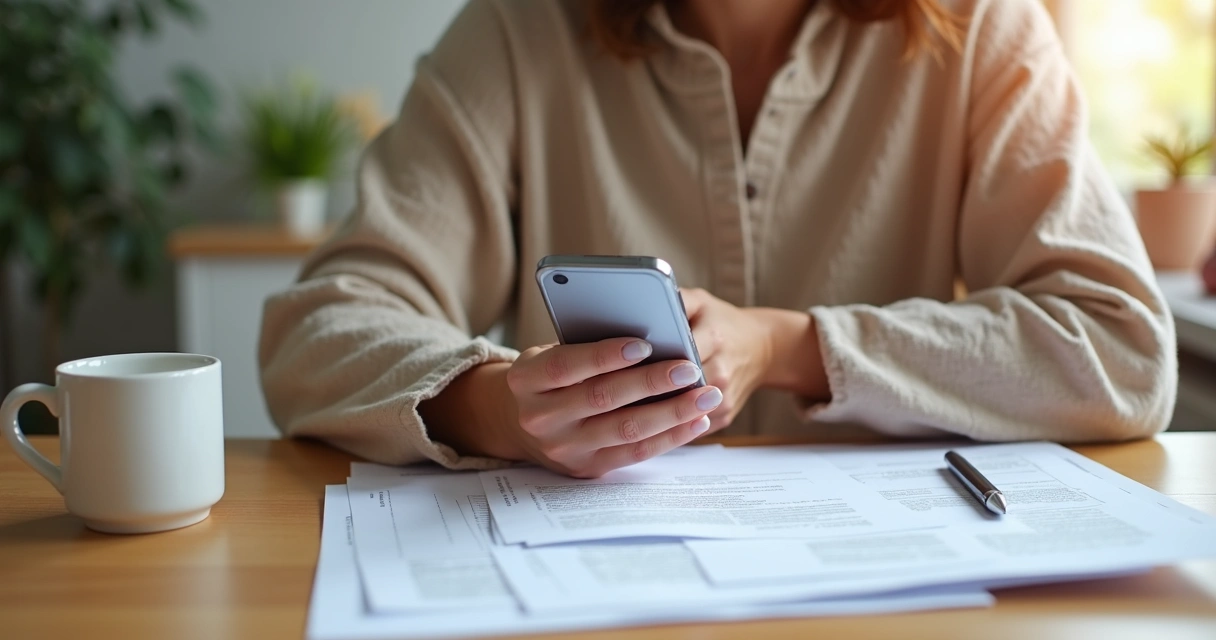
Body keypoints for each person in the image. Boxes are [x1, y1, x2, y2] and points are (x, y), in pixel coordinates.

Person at [258, 0, 1176, 478]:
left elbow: (1122, 349)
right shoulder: (517, 32)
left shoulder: (980, 31)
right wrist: (497, 407)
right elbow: (318, 329)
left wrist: (791, 345)